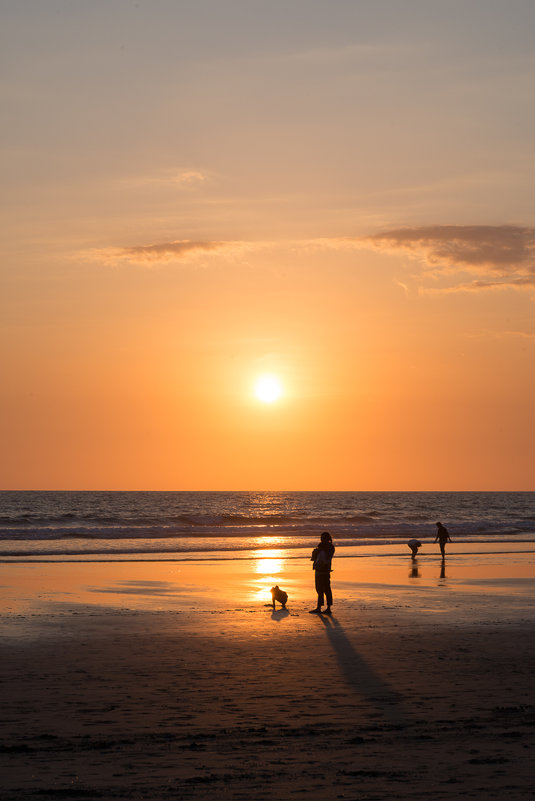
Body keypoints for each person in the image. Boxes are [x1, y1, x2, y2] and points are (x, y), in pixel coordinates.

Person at [309, 531, 335, 614]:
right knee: (320, 589)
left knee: (325, 589)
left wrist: (318, 551)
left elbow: (326, 558)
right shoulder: (326, 547)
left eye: (323, 538)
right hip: (320, 569)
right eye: (321, 537)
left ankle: (327, 608)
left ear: (326, 539)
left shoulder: (329, 547)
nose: (321, 539)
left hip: (324, 570)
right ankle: (320, 607)